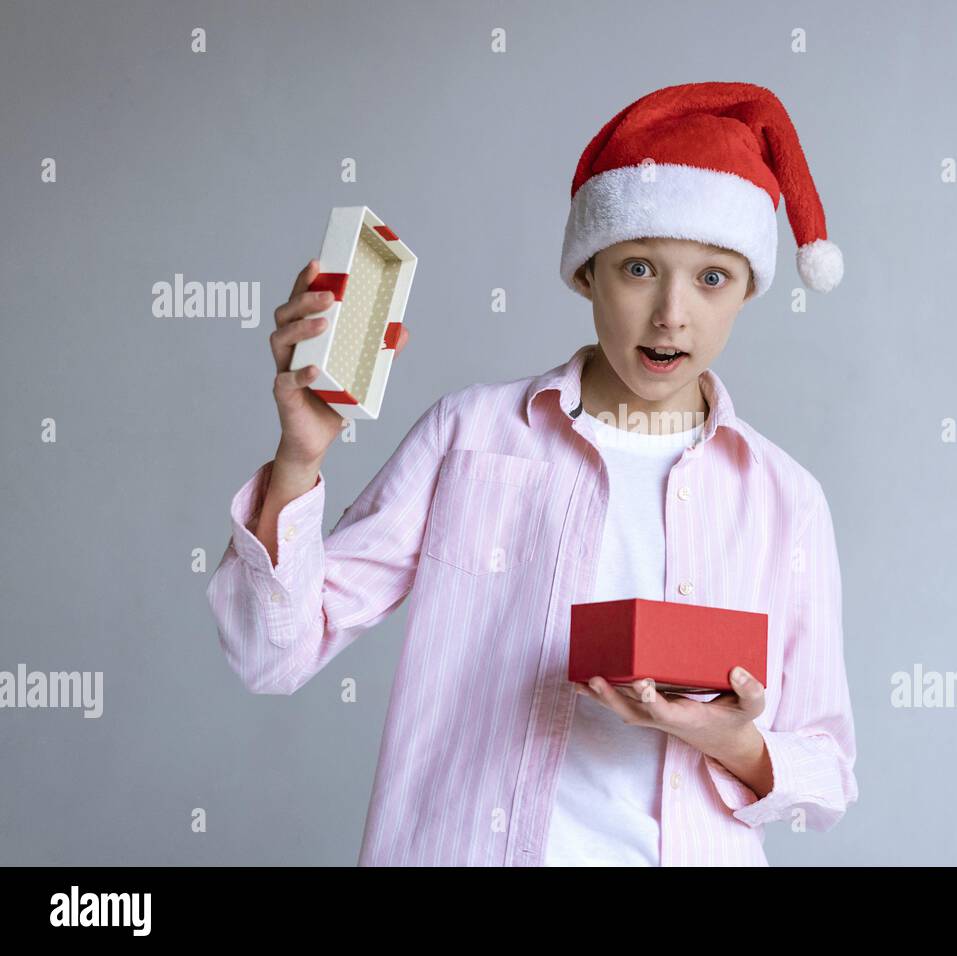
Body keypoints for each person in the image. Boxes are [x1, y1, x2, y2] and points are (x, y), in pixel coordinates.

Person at [207, 81, 857, 866]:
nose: (672, 315)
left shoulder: (785, 499)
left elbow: (826, 772)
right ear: (588, 272)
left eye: (712, 278)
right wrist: (300, 459)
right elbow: (269, 654)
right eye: (641, 268)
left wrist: (734, 742)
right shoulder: (471, 436)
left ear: (749, 289)